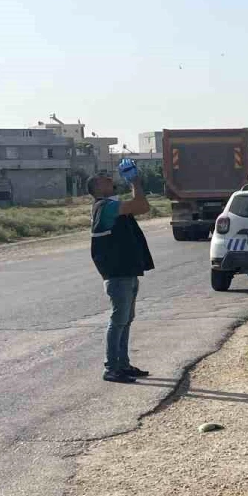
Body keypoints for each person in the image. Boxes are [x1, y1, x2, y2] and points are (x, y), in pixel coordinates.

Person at [89, 160, 155, 383]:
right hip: (117, 274)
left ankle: (123, 365)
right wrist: (135, 180)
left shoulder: (111, 205)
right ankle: (111, 368)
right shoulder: (105, 207)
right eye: (104, 179)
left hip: (127, 271)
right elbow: (140, 205)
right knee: (119, 319)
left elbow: (143, 208)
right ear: (97, 189)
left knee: (126, 319)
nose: (109, 178)